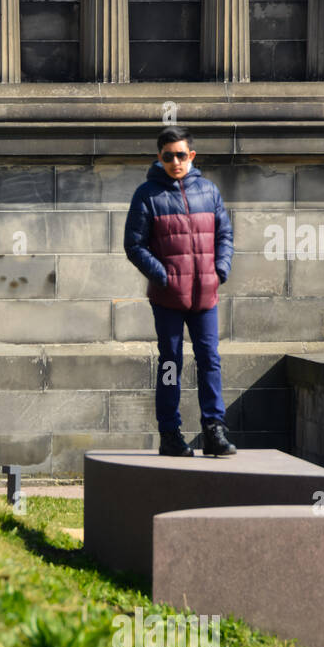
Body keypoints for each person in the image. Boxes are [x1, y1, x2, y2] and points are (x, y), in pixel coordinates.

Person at [123, 126, 236, 458]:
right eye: (168, 156)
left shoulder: (209, 191)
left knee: (210, 361)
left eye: (181, 155)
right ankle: (170, 433)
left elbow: (225, 235)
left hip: (205, 296)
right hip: (169, 298)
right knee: (170, 363)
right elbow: (134, 244)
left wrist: (220, 271)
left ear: (192, 156)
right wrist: (164, 276)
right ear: (159, 157)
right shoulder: (147, 195)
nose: (175, 161)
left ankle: (214, 430)